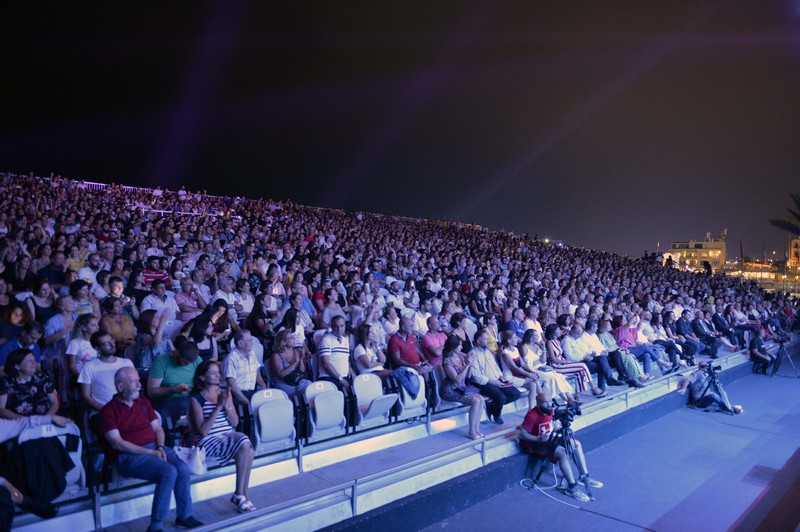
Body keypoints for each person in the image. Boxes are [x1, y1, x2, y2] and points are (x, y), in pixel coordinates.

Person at [100, 367, 203, 531]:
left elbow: (158, 429)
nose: (139, 385)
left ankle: (184, 516)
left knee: (182, 468)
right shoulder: (108, 411)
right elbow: (117, 443)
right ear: (120, 387)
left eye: (139, 381)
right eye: (134, 382)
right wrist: (151, 453)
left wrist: (160, 447)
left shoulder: (143, 402)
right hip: (129, 456)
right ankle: (155, 525)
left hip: (155, 448)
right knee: (168, 471)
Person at [188, 360, 255, 513]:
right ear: (202, 377)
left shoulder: (224, 392)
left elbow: (235, 422)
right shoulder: (196, 398)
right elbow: (203, 431)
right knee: (245, 443)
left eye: (218, 372)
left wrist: (227, 405)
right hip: (209, 440)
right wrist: (218, 407)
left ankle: (242, 494)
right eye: (213, 373)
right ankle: (241, 493)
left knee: (248, 449)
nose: (218, 376)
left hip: (228, 435)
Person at [518, 392, 603, 502]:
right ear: (538, 404)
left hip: (549, 438)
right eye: (545, 402)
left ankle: (584, 476)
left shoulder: (551, 410)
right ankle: (571, 488)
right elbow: (522, 434)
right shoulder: (532, 415)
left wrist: (557, 426)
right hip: (535, 443)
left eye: (550, 401)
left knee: (575, 444)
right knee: (562, 452)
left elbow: (553, 424)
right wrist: (538, 439)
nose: (549, 404)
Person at [470, 328, 521, 424]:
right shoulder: (473, 354)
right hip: (483, 383)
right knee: (500, 397)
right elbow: (475, 375)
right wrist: (492, 382)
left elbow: (495, 366)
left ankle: (490, 407)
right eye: (485, 339)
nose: (488, 341)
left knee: (516, 394)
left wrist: (500, 376)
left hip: (496, 379)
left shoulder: (488, 352)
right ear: (478, 341)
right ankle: (497, 414)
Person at [147, 338, 201, 427]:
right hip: (169, 400)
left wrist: (196, 386)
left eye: (189, 363)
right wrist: (174, 389)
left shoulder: (197, 360)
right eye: (184, 362)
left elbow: (203, 379)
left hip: (192, 397)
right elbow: (151, 392)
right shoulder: (161, 362)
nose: (186, 364)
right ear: (177, 353)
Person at [440, 335, 485, 440]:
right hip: (450, 390)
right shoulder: (447, 362)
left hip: (462, 388)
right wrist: (467, 365)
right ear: (453, 346)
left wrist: (470, 363)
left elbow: (468, 376)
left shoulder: (460, 356)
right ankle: (471, 431)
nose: (461, 347)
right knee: (475, 401)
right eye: (459, 346)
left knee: (481, 399)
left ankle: (476, 428)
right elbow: (458, 379)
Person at [78, 331, 135, 412]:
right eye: (107, 343)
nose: (112, 344)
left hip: (128, 409)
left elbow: (135, 387)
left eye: (112, 340)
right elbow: (86, 396)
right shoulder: (89, 367)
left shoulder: (126, 363)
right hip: (102, 411)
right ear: (97, 349)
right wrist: (107, 411)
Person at [0, 349, 58, 418]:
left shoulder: (43, 378)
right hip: (19, 423)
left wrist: (46, 419)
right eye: (29, 361)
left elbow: (54, 402)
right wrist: (26, 421)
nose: (34, 363)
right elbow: (1, 409)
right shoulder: (5, 383)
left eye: (34, 360)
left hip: (44, 421)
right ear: (17, 366)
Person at [270, 329, 312, 397]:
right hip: (283, 384)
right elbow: (281, 374)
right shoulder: (276, 356)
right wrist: (295, 363)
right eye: (291, 338)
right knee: (305, 391)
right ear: (283, 342)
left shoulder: (296, 351)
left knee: (309, 385)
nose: (294, 338)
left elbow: (302, 371)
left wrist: (301, 359)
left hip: (296, 381)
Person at [318, 315, 354, 391]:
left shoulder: (345, 340)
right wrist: (340, 379)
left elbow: (345, 359)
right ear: (331, 327)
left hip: (344, 377)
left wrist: (351, 371)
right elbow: (325, 364)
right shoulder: (326, 340)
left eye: (341, 326)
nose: (339, 329)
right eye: (336, 326)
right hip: (329, 378)